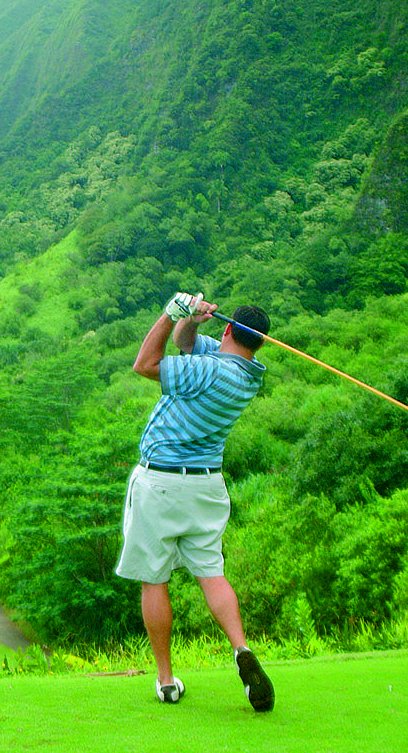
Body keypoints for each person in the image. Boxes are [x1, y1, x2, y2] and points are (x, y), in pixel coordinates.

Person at [115, 292, 275, 711]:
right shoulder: (248, 372)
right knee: (210, 573)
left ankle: (166, 680)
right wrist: (192, 321)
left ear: (228, 329)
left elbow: (145, 364)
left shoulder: (209, 372)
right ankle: (241, 650)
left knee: (155, 578)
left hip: (162, 484)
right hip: (206, 488)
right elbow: (188, 345)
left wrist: (169, 313)